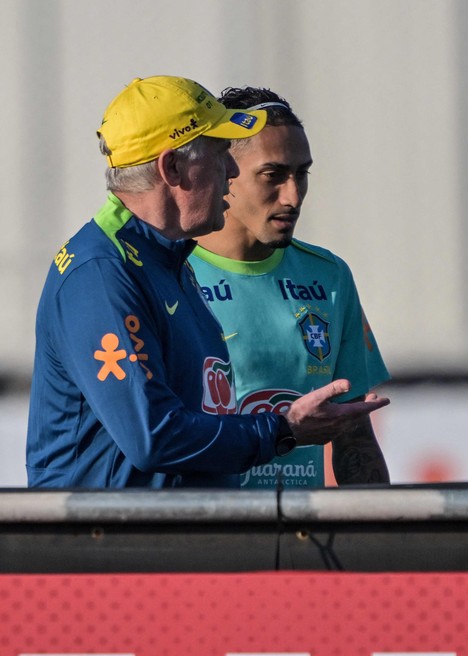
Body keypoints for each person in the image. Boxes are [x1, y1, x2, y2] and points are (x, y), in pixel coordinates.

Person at [26, 76, 389, 488]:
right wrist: (283, 430)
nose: (230, 170)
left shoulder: (166, 260)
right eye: (219, 154)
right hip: (114, 531)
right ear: (172, 167)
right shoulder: (101, 273)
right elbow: (153, 437)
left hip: (186, 528)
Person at [190, 86, 390, 487]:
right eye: (273, 175)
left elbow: (355, 438)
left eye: (302, 174)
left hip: (299, 524)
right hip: (204, 522)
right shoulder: (168, 273)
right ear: (224, 171)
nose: (293, 196)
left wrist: (382, 523)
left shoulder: (328, 277)